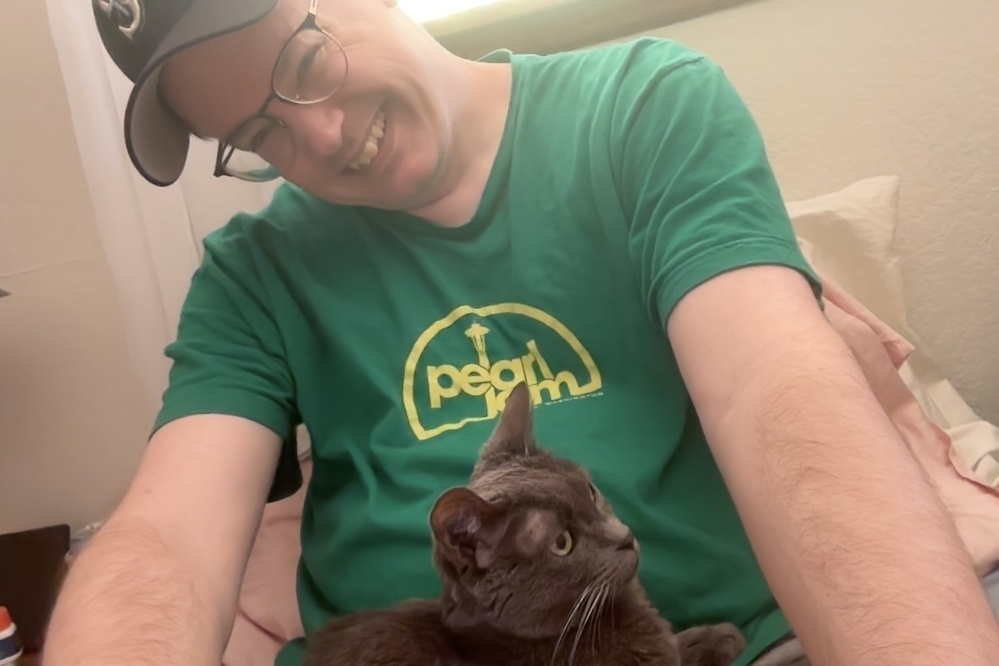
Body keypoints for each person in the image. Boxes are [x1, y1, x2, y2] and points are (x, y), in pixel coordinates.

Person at [46, 0, 999, 665]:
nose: (323, 138)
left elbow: (772, 385)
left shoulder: (642, 108)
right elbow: (165, 536)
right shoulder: (254, 271)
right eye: (263, 137)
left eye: (304, 63)